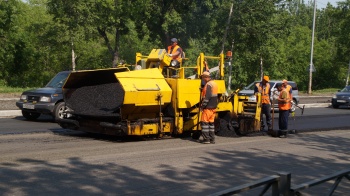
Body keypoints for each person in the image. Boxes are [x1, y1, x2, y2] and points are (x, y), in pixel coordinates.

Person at [200, 71, 218, 144]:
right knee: (211, 124)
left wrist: (203, 106)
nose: (203, 79)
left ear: (206, 77)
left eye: (203, 77)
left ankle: (206, 139)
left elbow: (207, 97)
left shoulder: (208, 85)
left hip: (208, 107)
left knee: (205, 124)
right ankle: (212, 139)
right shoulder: (214, 83)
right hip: (213, 107)